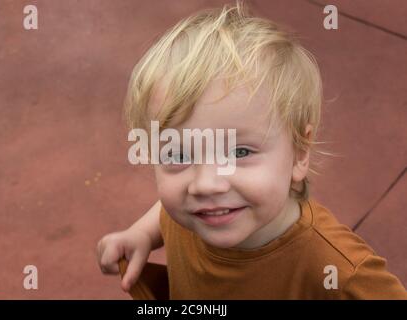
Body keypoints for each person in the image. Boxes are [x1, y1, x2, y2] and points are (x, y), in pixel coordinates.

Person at [97, 2, 407, 299]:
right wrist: (141, 234)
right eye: (179, 156)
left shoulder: (337, 270)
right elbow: (165, 214)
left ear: (300, 151)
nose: (205, 184)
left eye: (239, 152)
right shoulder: (198, 210)